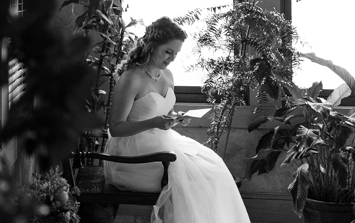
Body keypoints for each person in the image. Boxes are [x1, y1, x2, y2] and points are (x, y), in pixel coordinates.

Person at [104, 17, 250, 223]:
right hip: (133, 156)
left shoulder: (168, 75)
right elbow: (116, 128)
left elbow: (166, 112)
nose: (172, 58)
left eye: (176, 53)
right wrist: (154, 123)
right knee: (198, 181)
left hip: (164, 143)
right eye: (168, 52)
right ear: (152, 46)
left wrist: (174, 119)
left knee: (216, 172)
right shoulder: (131, 78)